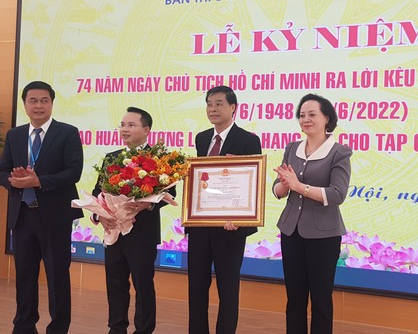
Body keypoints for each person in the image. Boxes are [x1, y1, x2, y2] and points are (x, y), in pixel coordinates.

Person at [0, 81, 84, 334]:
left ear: (51, 103)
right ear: (24, 104)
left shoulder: (67, 132)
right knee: (24, 275)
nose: (38, 105)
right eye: (33, 100)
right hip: (23, 215)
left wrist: (39, 181)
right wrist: (12, 181)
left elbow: (73, 172)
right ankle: (24, 326)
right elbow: (3, 169)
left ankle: (58, 328)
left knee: (58, 276)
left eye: (44, 100)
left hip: (55, 217)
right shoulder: (15, 135)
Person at [273, 93, 352, 334]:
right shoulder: (292, 148)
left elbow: (337, 194)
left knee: (320, 300)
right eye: (302, 115)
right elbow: (277, 191)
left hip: (324, 235)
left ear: (327, 118)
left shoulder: (339, 152)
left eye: (312, 114)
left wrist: (300, 187)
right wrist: (285, 185)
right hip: (291, 230)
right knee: (294, 299)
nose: (305, 119)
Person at [91, 107, 175, 334]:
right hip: (114, 231)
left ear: (146, 129)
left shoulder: (159, 159)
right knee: (115, 284)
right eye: (122, 125)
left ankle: (144, 329)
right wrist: (100, 215)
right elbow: (97, 193)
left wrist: (149, 203)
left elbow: (171, 193)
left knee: (143, 284)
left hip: (142, 233)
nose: (124, 129)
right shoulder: (111, 158)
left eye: (131, 125)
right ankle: (116, 328)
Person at [188, 85, 262, 334]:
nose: (212, 108)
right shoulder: (201, 138)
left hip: (230, 228)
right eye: (209, 104)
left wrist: (241, 217)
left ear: (233, 108)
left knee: (228, 291)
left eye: (219, 103)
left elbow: (251, 184)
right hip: (200, 226)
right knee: (196, 288)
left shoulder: (248, 140)